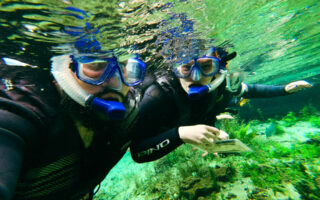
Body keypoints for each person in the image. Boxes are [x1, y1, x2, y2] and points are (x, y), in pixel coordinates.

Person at [0, 51, 146, 199]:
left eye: (124, 67)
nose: (116, 83)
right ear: (64, 69)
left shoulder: (131, 108)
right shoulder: (24, 109)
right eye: (95, 65)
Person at [129, 46, 312, 163]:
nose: (195, 76)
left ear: (218, 70)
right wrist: (181, 135)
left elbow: (251, 90)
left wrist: (284, 90)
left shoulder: (221, 85)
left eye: (206, 66)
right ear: (175, 68)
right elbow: (138, 152)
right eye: (186, 67)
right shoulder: (158, 95)